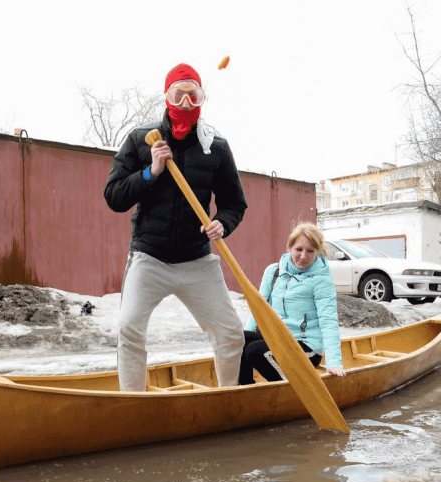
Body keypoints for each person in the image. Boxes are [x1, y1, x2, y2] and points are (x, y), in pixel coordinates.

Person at [104, 63, 248, 392]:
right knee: (129, 329)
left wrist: (222, 223)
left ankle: (228, 399)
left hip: (197, 260)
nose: (185, 104)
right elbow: (113, 196)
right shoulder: (141, 140)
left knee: (230, 334)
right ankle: (133, 405)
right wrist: (150, 172)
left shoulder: (217, 147)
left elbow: (234, 204)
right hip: (149, 258)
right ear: (166, 97)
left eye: (192, 96)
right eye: (177, 95)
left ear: (202, 98)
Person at [238, 222, 346, 385]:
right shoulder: (273, 271)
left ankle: (292, 389)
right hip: (279, 339)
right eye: (299, 249)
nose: (304, 256)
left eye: (310, 251)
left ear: (317, 251)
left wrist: (334, 362)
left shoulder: (321, 281)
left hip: (306, 347)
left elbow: (328, 322)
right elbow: (258, 309)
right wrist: (246, 337)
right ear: (289, 247)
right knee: (239, 339)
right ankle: (245, 389)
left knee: (255, 351)